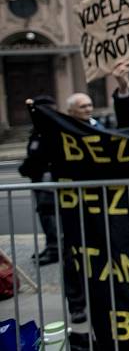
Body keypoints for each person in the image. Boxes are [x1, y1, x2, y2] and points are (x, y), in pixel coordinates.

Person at [19, 96, 59, 266]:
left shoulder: (51, 128)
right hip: (38, 178)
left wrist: (26, 167)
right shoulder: (38, 128)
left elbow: (41, 155)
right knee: (44, 214)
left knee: (49, 213)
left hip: (47, 178)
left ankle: (55, 248)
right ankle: (51, 245)